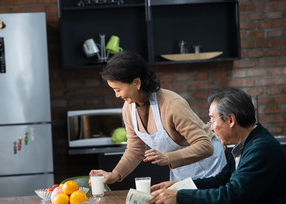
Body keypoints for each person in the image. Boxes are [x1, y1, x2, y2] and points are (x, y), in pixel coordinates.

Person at [149, 87, 286, 204]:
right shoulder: (247, 143)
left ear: (231, 119)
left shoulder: (261, 148)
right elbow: (221, 180)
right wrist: (179, 186)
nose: (211, 128)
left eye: (212, 119)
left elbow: (231, 197)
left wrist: (179, 196)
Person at [90, 50, 226, 183]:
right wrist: (115, 174)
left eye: (118, 90)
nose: (117, 95)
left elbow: (205, 146)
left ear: (136, 83)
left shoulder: (172, 105)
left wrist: (168, 158)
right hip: (181, 168)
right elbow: (135, 149)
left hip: (209, 166)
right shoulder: (128, 108)